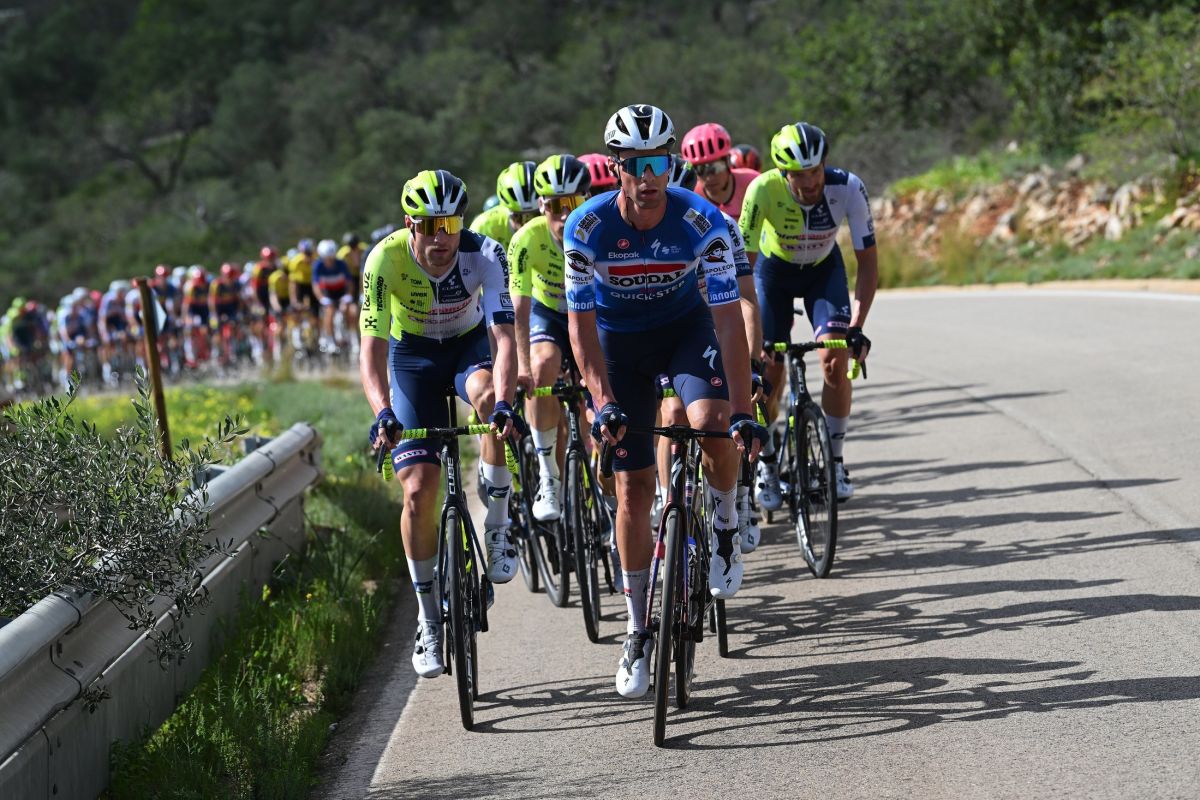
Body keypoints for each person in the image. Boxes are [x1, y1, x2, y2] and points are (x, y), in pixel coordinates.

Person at [564, 104, 765, 699]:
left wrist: (744, 408)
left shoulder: (704, 222)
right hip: (619, 345)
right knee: (632, 489)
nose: (648, 177)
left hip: (684, 331)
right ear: (616, 168)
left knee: (712, 423)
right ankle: (636, 631)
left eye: (658, 163)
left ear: (672, 163)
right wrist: (602, 401)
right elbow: (580, 328)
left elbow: (727, 321)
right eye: (635, 165)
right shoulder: (585, 228)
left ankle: (724, 524)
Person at [360, 169, 521, 679]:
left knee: (489, 398)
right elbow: (371, 351)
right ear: (410, 224)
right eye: (429, 226)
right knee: (418, 491)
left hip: (468, 350)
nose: (441, 237)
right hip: (412, 361)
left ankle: (498, 526)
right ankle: (429, 619)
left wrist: (505, 404)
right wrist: (382, 412)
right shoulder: (384, 259)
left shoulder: (486, 253)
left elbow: (505, 340)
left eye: (450, 224)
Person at [739, 122, 876, 505]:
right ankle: (767, 464)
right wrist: (752, 338)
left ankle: (835, 462)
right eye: (798, 175)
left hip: (822, 271)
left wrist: (857, 326)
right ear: (783, 172)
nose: (810, 182)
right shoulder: (762, 189)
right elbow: (743, 269)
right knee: (767, 370)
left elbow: (868, 264)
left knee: (835, 360)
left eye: (815, 171)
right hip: (773, 274)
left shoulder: (848, 187)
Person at [653, 155, 763, 554]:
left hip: (711, 329)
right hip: (661, 331)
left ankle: (736, 501)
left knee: (728, 410)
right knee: (671, 412)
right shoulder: (642, 234)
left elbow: (746, 302)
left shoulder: (721, 228)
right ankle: (667, 500)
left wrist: (753, 361)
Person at [509, 154, 592, 521]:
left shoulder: (600, 228)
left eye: (574, 202)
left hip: (590, 312)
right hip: (548, 314)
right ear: (542, 206)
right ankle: (548, 476)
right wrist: (523, 369)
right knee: (542, 365)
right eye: (557, 206)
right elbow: (519, 310)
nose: (566, 214)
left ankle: (607, 496)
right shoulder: (526, 239)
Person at [468, 161, 539, 251]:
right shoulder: (484, 226)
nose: (526, 225)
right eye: (518, 217)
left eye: (536, 216)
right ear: (507, 209)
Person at [312, 239, 355, 352]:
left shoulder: (341, 264)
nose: (330, 261)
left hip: (341, 291)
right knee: (329, 312)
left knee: (350, 311)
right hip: (327, 293)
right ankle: (331, 341)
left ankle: (352, 337)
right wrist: (321, 298)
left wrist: (348, 295)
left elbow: (349, 282)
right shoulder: (318, 265)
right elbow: (315, 285)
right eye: (327, 259)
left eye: (331, 258)